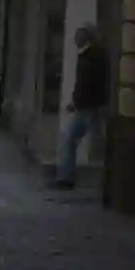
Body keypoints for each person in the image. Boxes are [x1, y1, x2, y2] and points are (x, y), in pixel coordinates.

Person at [47, 21, 108, 191]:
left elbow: (84, 84)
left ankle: (66, 179)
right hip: (93, 106)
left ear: (85, 38)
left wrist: (75, 102)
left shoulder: (88, 57)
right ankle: (67, 177)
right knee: (97, 142)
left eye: (78, 36)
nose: (75, 39)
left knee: (70, 139)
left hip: (88, 108)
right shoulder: (98, 55)